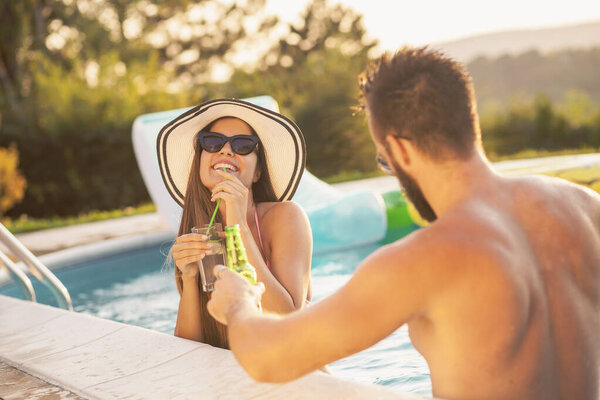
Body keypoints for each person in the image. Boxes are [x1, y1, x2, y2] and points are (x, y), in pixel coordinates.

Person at [206, 48, 600, 399]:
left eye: (383, 160)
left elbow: (270, 359)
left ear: (397, 149)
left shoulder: (422, 260)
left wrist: (239, 305)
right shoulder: (585, 208)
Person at [156, 99, 312, 349]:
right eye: (213, 142)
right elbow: (188, 350)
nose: (226, 151)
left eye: (242, 145)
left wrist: (237, 224)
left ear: (258, 170)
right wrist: (188, 277)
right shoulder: (200, 229)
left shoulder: (285, 217)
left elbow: (289, 318)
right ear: (200, 159)